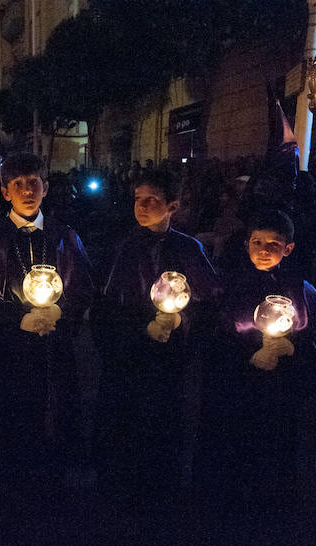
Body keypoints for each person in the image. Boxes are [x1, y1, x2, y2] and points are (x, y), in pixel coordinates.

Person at [194, 209, 316, 529]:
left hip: (280, 385)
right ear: (247, 245)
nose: (265, 250)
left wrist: (290, 347)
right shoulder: (232, 283)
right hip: (238, 381)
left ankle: (274, 501)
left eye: (274, 243)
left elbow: (313, 329)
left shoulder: (297, 285)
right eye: (257, 242)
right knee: (236, 437)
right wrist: (248, 353)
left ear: (289, 248)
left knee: (276, 438)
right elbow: (217, 330)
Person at [0, 153, 93, 501]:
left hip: (55, 345)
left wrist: (61, 313)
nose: (27, 190)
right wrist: (18, 319)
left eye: (33, 183)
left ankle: (57, 482)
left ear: (46, 188)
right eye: (18, 184)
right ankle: (13, 488)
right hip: (13, 351)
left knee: (57, 409)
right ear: (5, 191)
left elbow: (81, 287)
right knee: (14, 418)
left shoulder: (64, 235)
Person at [91, 168, 218, 509]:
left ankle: (161, 495)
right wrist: (139, 328)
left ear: (173, 206)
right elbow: (104, 307)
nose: (142, 207)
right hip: (127, 360)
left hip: (168, 360)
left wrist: (181, 320)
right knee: (124, 425)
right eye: (137, 199)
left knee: (163, 425)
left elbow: (208, 303)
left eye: (152, 200)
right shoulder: (122, 248)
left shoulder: (189, 250)